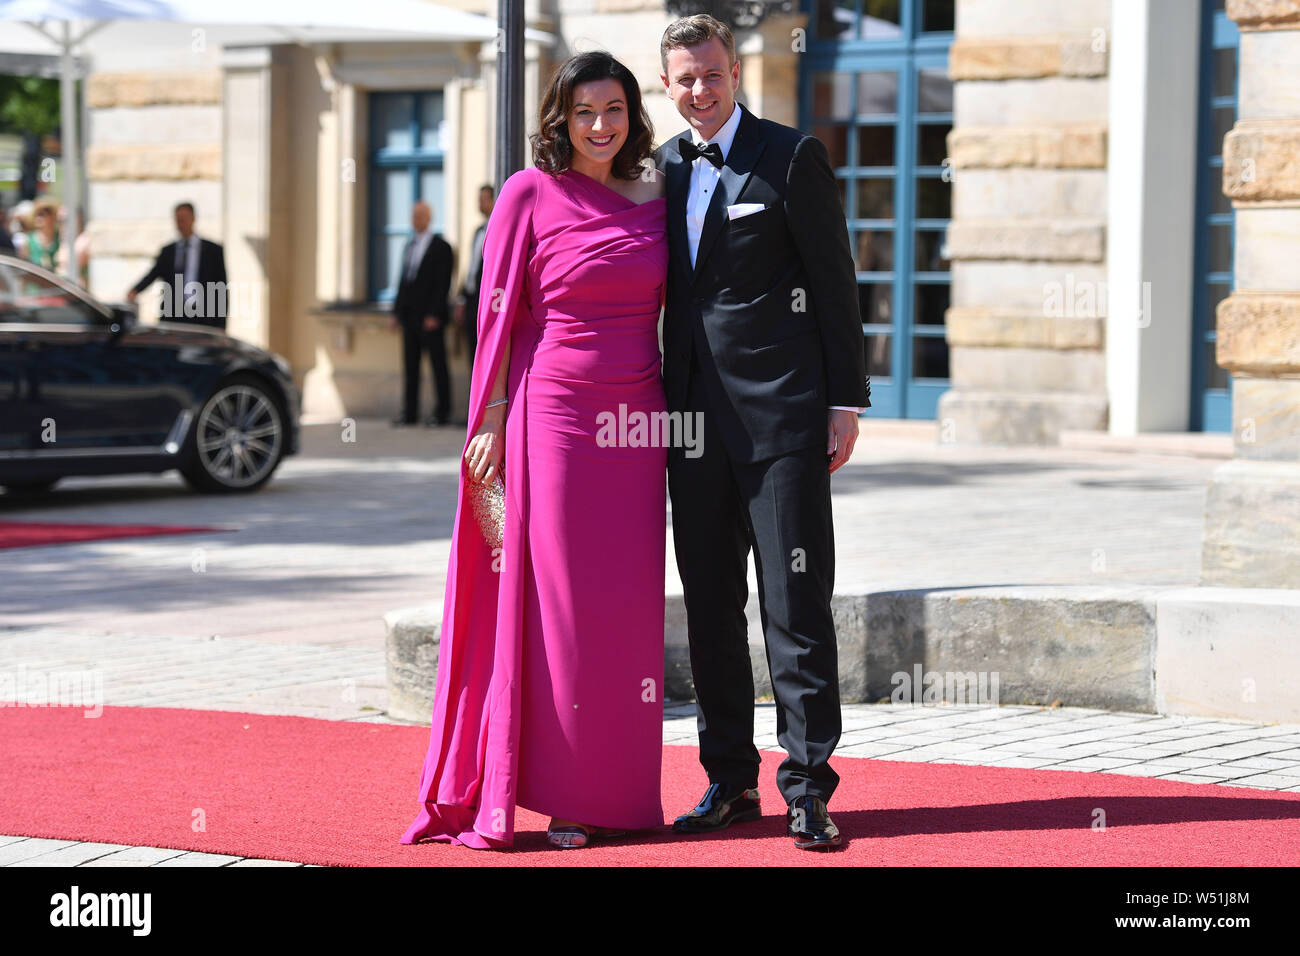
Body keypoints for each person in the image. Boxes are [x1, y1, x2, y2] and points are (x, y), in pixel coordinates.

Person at [400, 50, 668, 850]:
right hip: (552, 416)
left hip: (640, 420)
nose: (599, 125)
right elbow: (498, 316)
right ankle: (557, 793)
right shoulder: (529, 192)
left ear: (631, 115)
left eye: (613, 110)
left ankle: (618, 792)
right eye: (584, 111)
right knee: (558, 605)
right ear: (561, 117)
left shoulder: (660, 193)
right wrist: (487, 418)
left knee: (625, 608)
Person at [653, 14, 869, 851]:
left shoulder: (789, 156)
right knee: (710, 610)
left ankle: (810, 788)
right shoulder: (660, 171)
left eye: (711, 75)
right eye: (684, 80)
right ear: (666, 87)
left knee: (794, 605)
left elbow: (835, 281)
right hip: (693, 429)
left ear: (735, 73)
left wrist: (843, 400)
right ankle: (729, 781)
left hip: (784, 420)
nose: (699, 91)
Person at [390, 201, 453, 427]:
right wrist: (396, 312)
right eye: (413, 216)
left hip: (431, 318)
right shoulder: (409, 246)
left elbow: (442, 284)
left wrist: (434, 314)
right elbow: (403, 281)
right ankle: (410, 413)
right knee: (410, 366)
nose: (415, 220)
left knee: (438, 366)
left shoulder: (441, 247)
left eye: (419, 216)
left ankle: (442, 412)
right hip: (410, 317)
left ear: (429, 218)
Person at [128, 202, 228, 330]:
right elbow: (154, 274)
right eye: (178, 220)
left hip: (204, 316)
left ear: (193, 219)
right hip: (174, 315)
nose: (181, 224)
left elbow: (221, 287)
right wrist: (135, 290)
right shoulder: (168, 251)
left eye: (184, 219)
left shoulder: (213, 251)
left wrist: (221, 324)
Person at [454, 184, 494, 367]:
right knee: (473, 354)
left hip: (486, 301)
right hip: (471, 301)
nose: (479, 203)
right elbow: (471, 268)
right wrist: (462, 298)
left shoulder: (497, 230)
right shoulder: (478, 231)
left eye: (483, 199)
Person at [24, 200, 59, 271]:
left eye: (41, 214)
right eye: (36, 214)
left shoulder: (59, 237)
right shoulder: (28, 239)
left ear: (52, 217)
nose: (38, 217)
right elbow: (24, 265)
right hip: (35, 280)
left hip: (55, 280)